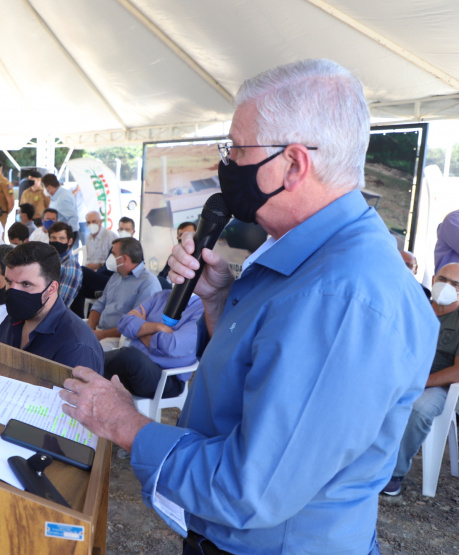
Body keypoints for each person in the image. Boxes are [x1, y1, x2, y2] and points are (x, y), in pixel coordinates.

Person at [58, 59, 439, 555]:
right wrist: (217, 301)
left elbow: (251, 488)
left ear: (295, 164)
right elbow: (260, 373)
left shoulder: (343, 298)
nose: (228, 163)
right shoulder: (307, 255)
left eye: (238, 149)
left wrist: (126, 425)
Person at [382, 263, 459, 496]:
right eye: (443, 279)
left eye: (456, 284)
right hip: (396, 374)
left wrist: (419, 382)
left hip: (435, 385)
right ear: (434, 278)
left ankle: (394, 474)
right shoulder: (414, 307)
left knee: (419, 409)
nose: (446, 286)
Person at [0, 242, 103, 373]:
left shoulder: (76, 346)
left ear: (51, 289)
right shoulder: (10, 321)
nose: (13, 291)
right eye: (9, 282)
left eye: (25, 284)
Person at [104, 289, 202, 399]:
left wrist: (141, 329)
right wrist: (159, 327)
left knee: (129, 356)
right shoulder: (160, 296)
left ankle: (87, 364)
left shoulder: (202, 309)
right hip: (133, 370)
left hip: (166, 378)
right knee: (119, 360)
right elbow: (124, 323)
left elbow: (172, 346)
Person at [86, 237, 161, 350]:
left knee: (89, 351)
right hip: (98, 332)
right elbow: (100, 305)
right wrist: (90, 329)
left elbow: (134, 324)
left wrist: (102, 335)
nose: (110, 257)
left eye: (113, 253)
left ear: (124, 258)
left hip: (122, 339)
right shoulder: (116, 276)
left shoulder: (148, 283)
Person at [47, 222, 82, 308]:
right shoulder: (47, 260)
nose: (57, 242)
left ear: (70, 241)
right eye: (53, 238)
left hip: (53, 315)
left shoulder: (71, 265)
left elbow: (61, 302)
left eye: (62, 238)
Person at [157, 222, 197, 288]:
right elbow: (161, 276)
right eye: (182, 235)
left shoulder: (200, 258)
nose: (185, 237)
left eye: (189, 234)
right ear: (178, 237)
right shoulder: (173, 257)